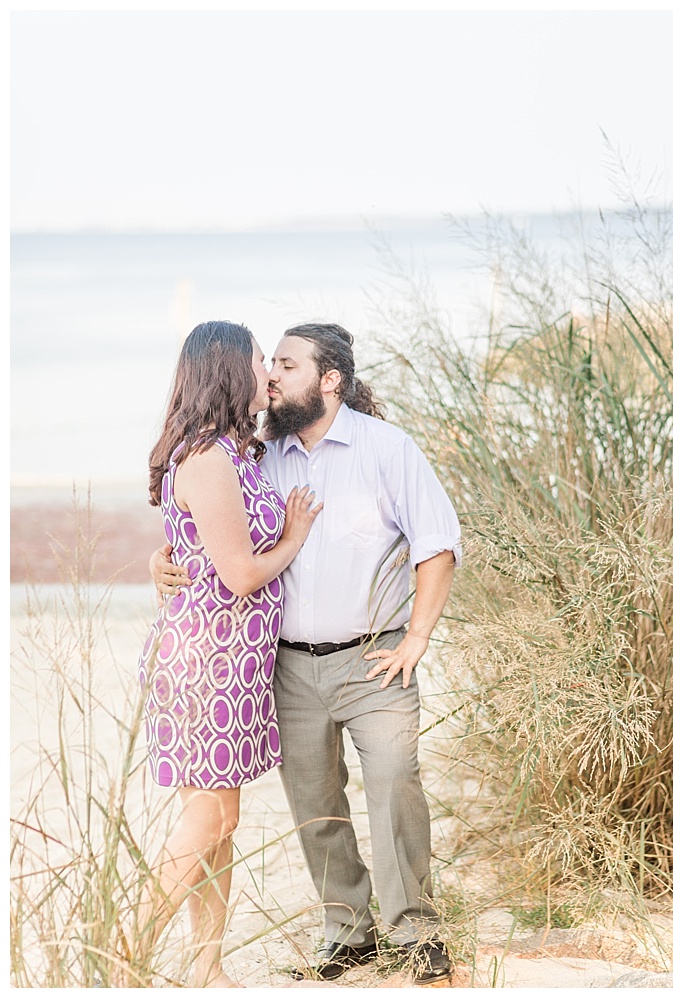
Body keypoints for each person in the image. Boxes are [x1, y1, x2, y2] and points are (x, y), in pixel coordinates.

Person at [151, 322, 460, 985]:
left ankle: (415, 933)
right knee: (314, 805)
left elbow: (437, 545)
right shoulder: (262, 454)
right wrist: (163, 559)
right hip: (279, 665)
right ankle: (347, 934)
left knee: (395, 787)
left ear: (330, 380)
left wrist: (417, 638)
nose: (269, 376)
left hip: (373, 659)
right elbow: (211, 532)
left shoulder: (387, 449)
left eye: (284, 365)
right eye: (267, 364)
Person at [137, 321, 323, 987]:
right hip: (206, 663)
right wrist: (297, 534)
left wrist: (162, 559)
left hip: (233, 664)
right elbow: (241, 574)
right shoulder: (210, 461)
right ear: (225, 373)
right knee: (211, 815)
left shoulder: (234, 451)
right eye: (255, 361)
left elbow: (195, 547)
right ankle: (128, 947)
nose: (265, 373)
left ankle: (205, 971)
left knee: (220, 823)